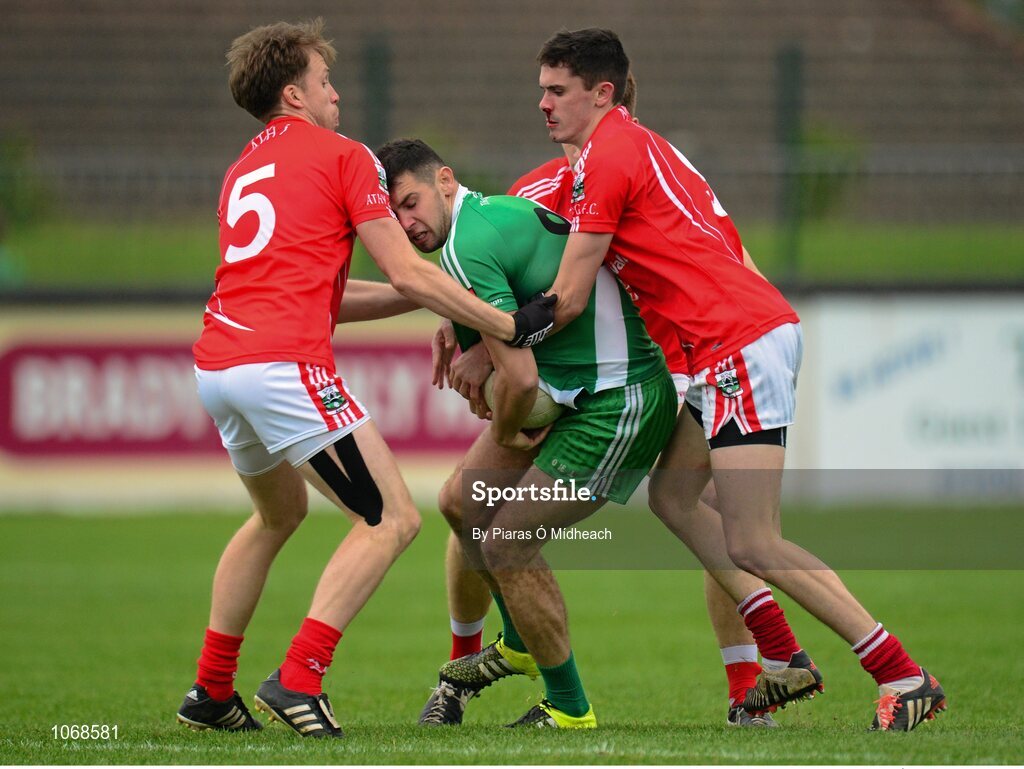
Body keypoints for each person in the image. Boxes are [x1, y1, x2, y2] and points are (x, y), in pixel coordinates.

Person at [527, 27, 945, 732]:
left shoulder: (608, 156)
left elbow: (565, 298)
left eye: (556, 90)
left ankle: (903, 674)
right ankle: (784, 656)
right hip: (728, 341)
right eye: (540, 88)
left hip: (734, 343)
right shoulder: (638, 145)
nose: (541, 103)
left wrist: (485, 325)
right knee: (675, 494)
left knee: (755, 539)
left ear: (601, 93)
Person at [175, 19, 556, 739]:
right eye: (324, 82)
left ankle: (211, 689)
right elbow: (408, 266)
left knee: (276, 514)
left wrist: (426, 297)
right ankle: (298, 677)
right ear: (294, 92)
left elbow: (342, 295)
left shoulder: (243, 170)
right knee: (393, 519)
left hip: (219, 365)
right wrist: (505, 323)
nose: (336, 94)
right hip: (283, 366)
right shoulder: (342, 156)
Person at [434, 73, 777, 728]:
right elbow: (484, 274)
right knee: (465, 496)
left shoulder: (653, 172)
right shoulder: (535, 189)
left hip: (668, 366)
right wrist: (460, 326)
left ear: (612, 107)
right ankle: (464, 669)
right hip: (571, 375)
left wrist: (755, 353)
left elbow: (733, 266)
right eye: (553, 99)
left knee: (713, 513)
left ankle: (748, 687)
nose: (562, 114)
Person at [376, 137, 678, 728]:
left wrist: (510, 431)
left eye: (410, 203)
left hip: (621, 401)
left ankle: (569, 710)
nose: (407, 224)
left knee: (507, 543)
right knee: (460, 503)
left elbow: (517, 380)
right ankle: (516, 642)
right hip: (576, 393)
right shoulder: (485, 219)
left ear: (444, 181)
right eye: (393, 217)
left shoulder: (465, 244)